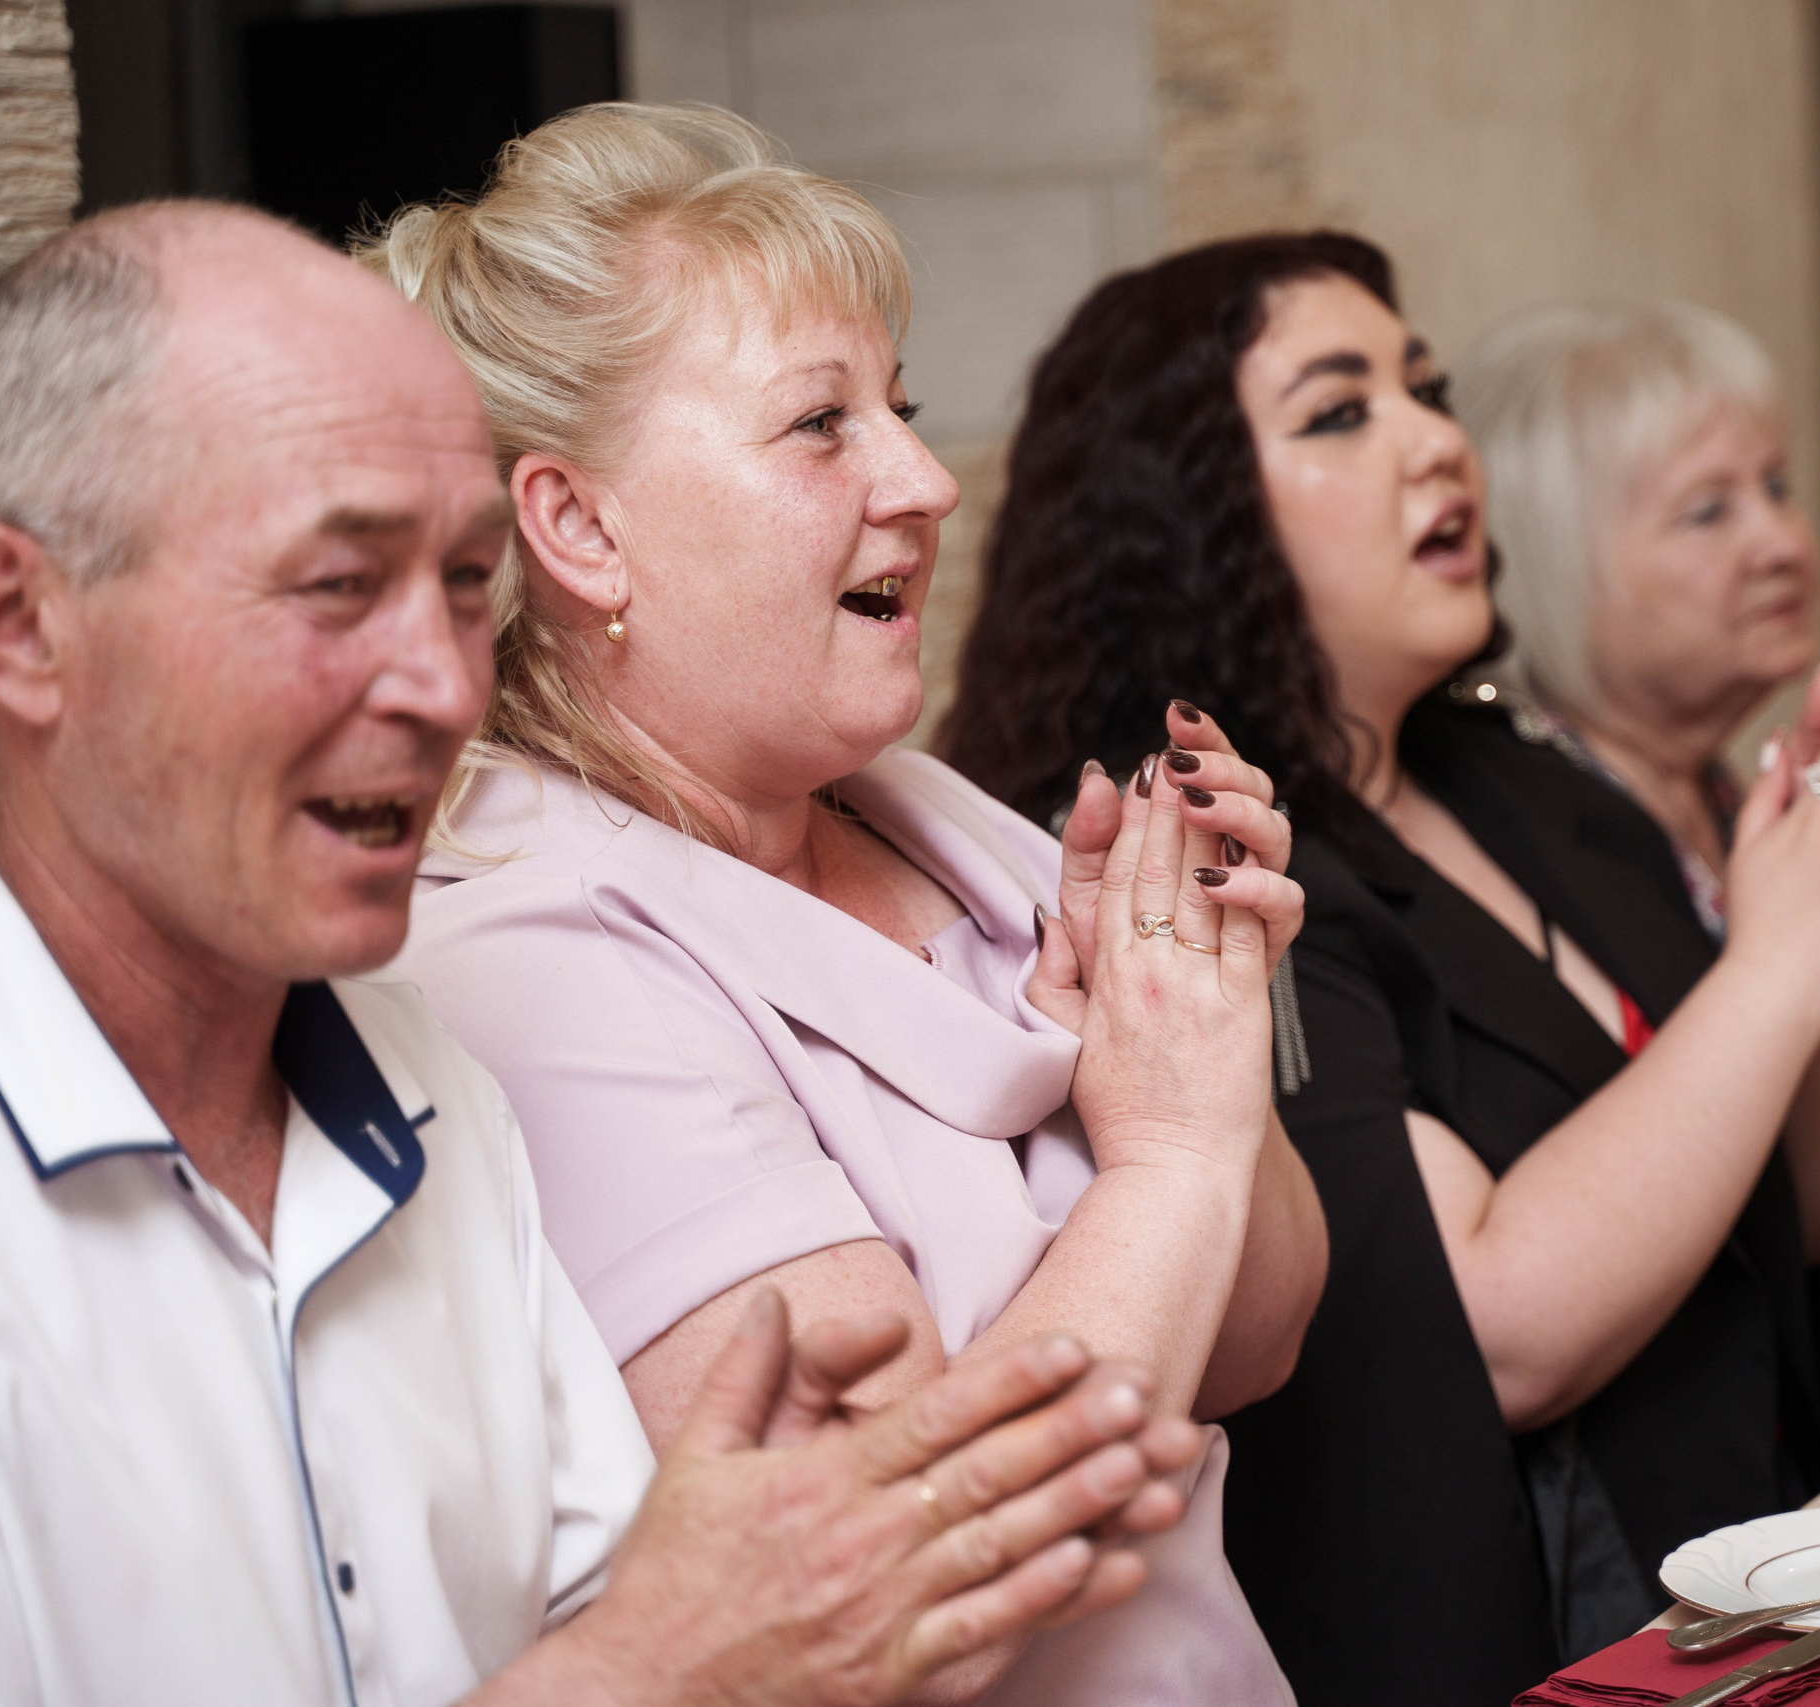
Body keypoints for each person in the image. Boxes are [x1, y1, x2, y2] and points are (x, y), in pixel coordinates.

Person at [0, 200, 1203, 1707]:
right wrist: (657, 1670)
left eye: (464, 584)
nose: (443, 682)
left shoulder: (428, 1081)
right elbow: (684, 1642)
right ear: (18, 619)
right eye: (335, 583)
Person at [940, 232, 1820, 1705]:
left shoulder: (1526, 779)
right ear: (1186, 510)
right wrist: (1786, 952)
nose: (1437, 440)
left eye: (1425, 388)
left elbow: (1798, 1197)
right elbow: (1496, 1319)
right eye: (1342, 409)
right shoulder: (1205, 858)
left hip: (1793, 1577)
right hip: (1569, 1644)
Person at [369, 105, 1318, 1706]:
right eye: (822, 426)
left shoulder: (934, 813)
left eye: (904, 404)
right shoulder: (518, 947)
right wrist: (1161, 1151)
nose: (928, 480)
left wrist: (1205, 1032)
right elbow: (904, 1568)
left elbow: (1258, 1333)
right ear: (582, 527)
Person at [1452, 302, 1820, 1414]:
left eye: (1778, 489)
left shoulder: (1721, 785)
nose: (1782, 544)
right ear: (1551, 562)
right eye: (1708, 511)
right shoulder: (1527, 827)